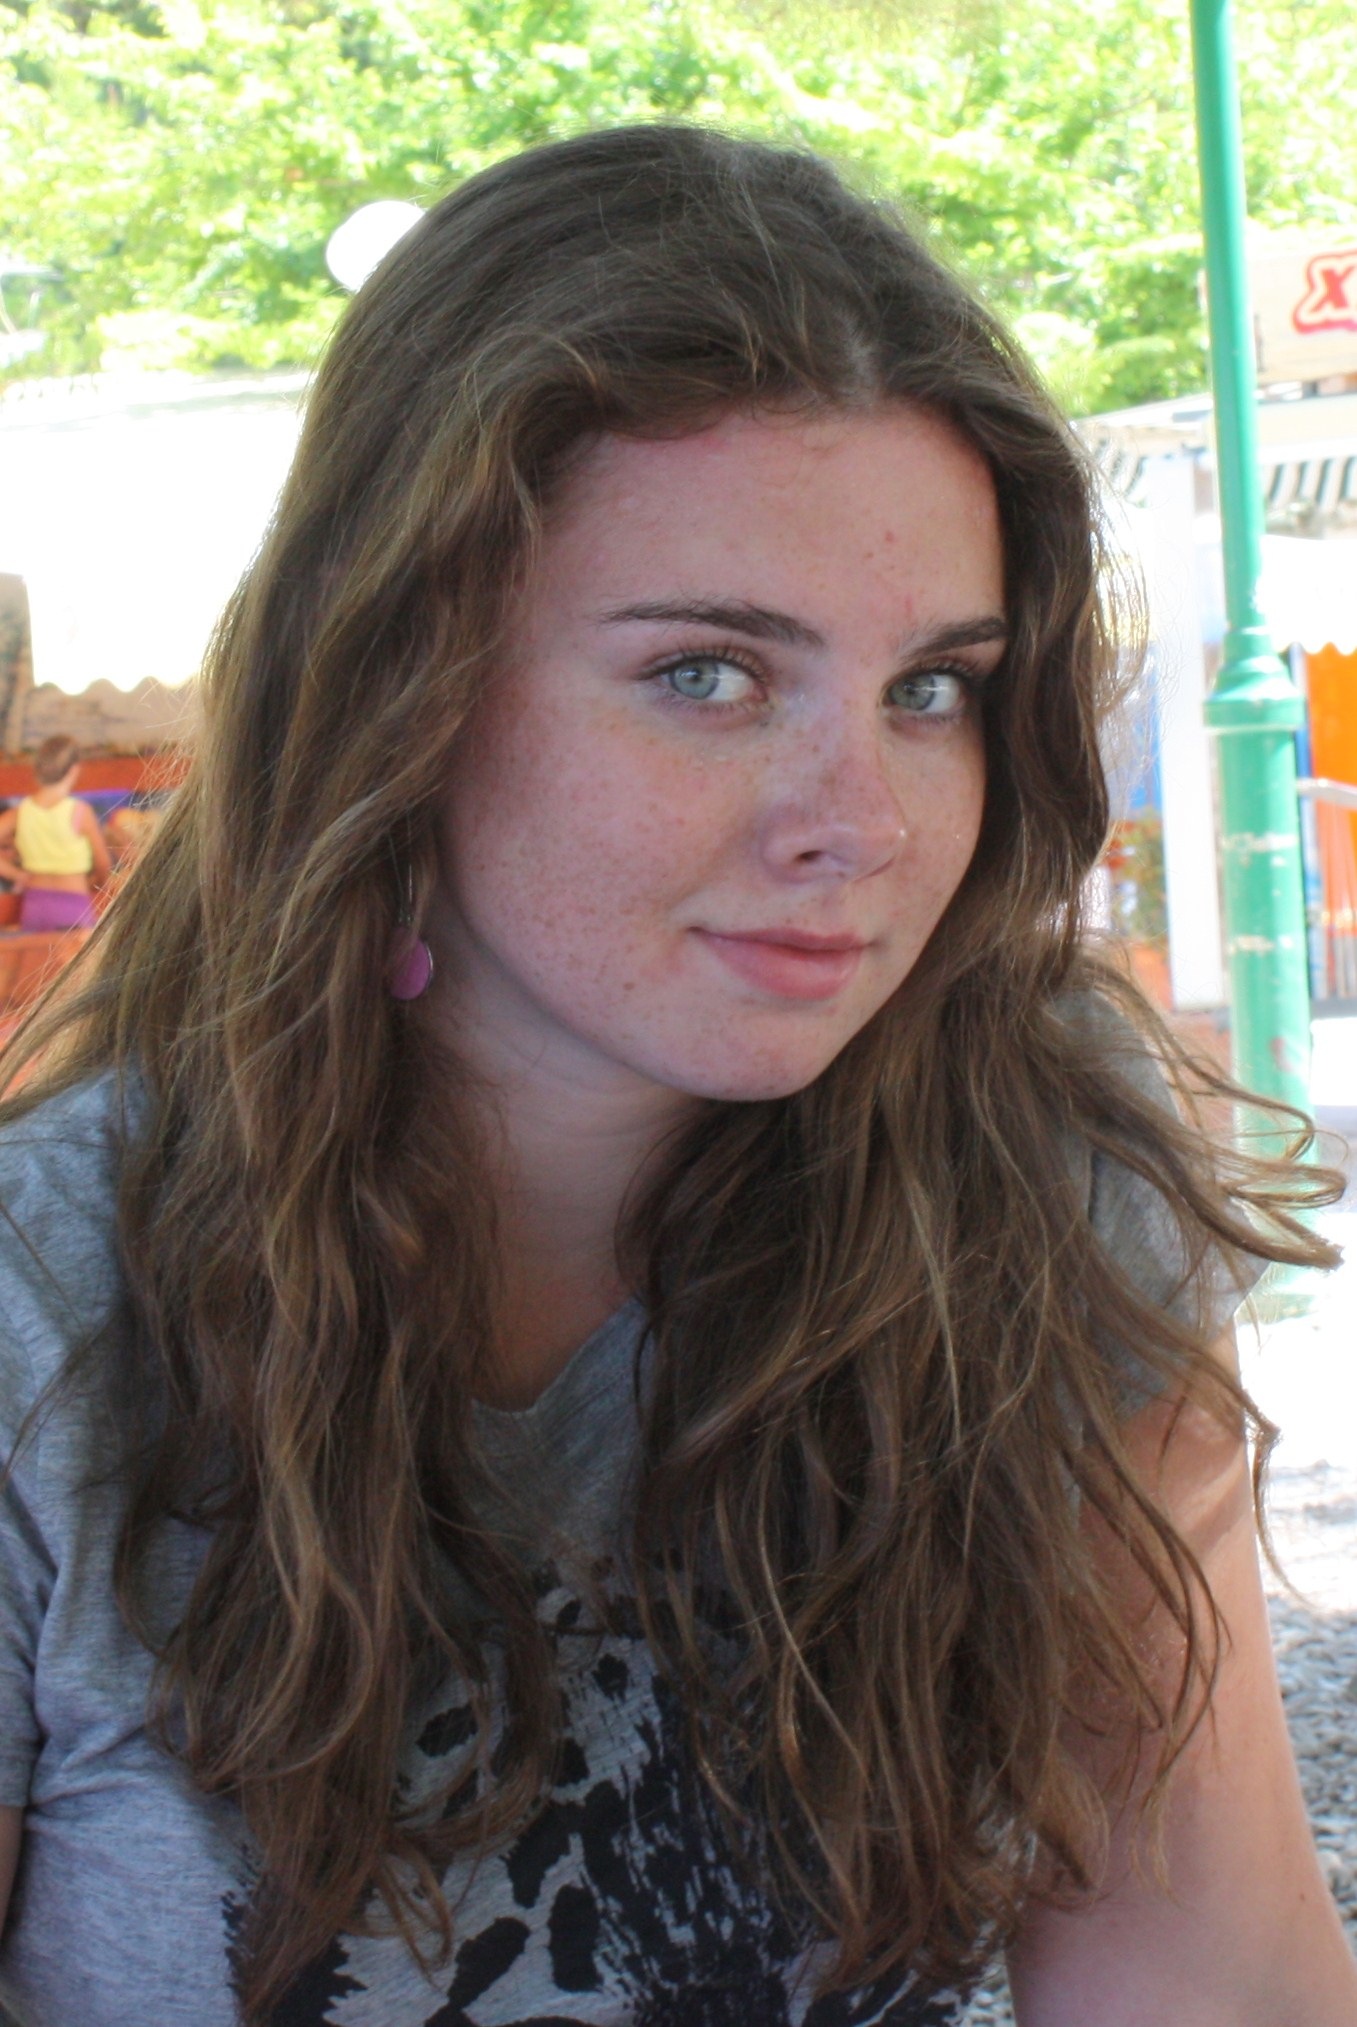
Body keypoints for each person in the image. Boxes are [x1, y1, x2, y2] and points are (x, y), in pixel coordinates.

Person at [0, 126, 1350, 2027]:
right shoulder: (44, 1309)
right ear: (397, 682)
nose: (864, 820)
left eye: (931, 688)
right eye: (709, 673)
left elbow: (1205, 1977)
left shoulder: (1036, 1173)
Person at [0, 735, 112, 932]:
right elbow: (103, 864)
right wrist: (95, 884)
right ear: (74, 769)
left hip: (35, 904)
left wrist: (17, 875)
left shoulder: (21, 812)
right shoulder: (80, 812)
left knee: (37, 953)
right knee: (78, 953)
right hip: (73, 904)